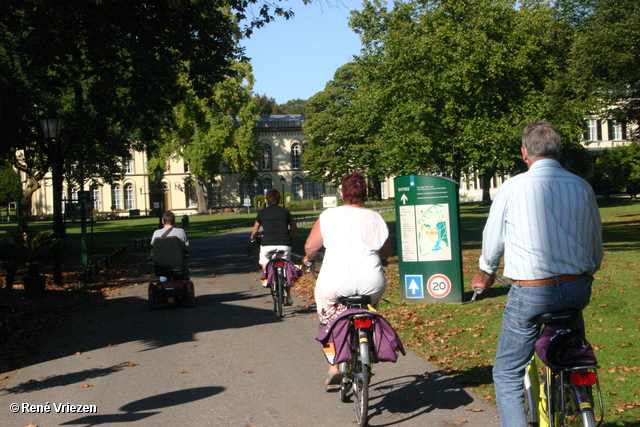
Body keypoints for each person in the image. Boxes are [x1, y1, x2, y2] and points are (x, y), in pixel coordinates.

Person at [471, 120, 603, 426]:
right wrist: (589, 271)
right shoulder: (581, 186)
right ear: (558, 151)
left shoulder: (513, 187)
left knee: (506, 371)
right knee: (571, 346)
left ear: (524, 153)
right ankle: (575, 382)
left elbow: (493, 240)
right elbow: (596, 242)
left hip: (532, 292)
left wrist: (486, 274)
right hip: (576, 288)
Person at [303, 172, 392, 388]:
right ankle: (368, 346)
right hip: (371, 281)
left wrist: (308, 258)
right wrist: (382, 258)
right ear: (365, 194)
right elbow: (386, 250)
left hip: (335, 281)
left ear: (343, 194)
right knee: (368, 310)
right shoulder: (376, 218)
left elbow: (311, 246)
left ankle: (334, 366)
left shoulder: (328, 216)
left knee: (326, 321)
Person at [250, 189, 298, 305]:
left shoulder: (262, 213)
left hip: (267, 243)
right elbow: (293, 226)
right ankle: (289, 297)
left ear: (267, 200)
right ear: (279, 200)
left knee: (264, 259)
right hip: (284, 243)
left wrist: (253, 236)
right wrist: (295, 236)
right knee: (286, 266)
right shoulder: (285, 212)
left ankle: (267, 277)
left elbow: (256, 229)